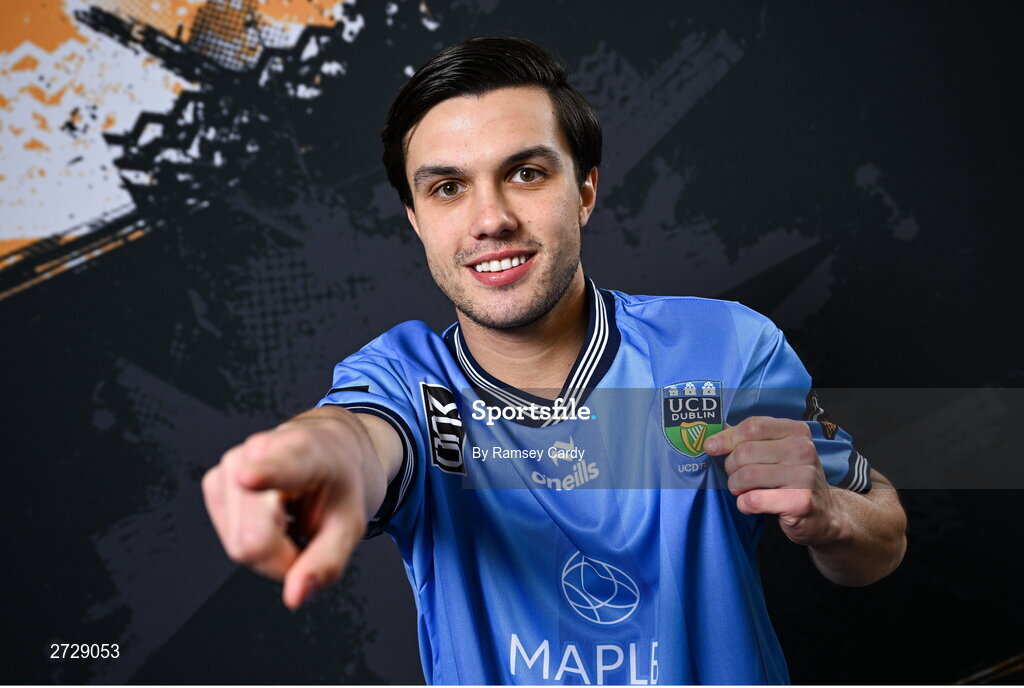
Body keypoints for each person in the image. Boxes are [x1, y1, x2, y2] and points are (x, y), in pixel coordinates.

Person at [202, 37, 907, 684]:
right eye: (448, 188)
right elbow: (356, 438)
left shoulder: (726, 347)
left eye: (526, 173)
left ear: (586, 190)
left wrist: (831, 515)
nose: (490, 219)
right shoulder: (409, 383)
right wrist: (312, 461)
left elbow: (883, 534)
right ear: (416, 220)